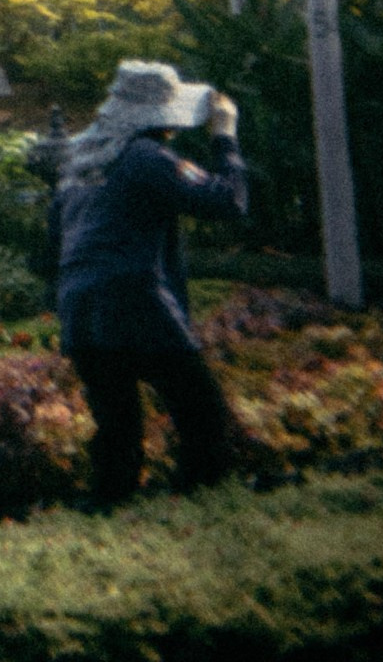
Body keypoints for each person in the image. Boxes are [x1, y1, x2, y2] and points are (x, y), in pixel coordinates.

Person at [49, 58, 249, 505]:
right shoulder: (147, 157)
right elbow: (228, 201)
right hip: (136, 300)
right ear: (164, 118)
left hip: (79, 308)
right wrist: (225, 137)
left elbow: (53, 239)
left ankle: (108, 518)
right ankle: (206, 510)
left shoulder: (81, 164)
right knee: (202, 417)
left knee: (118, 433)